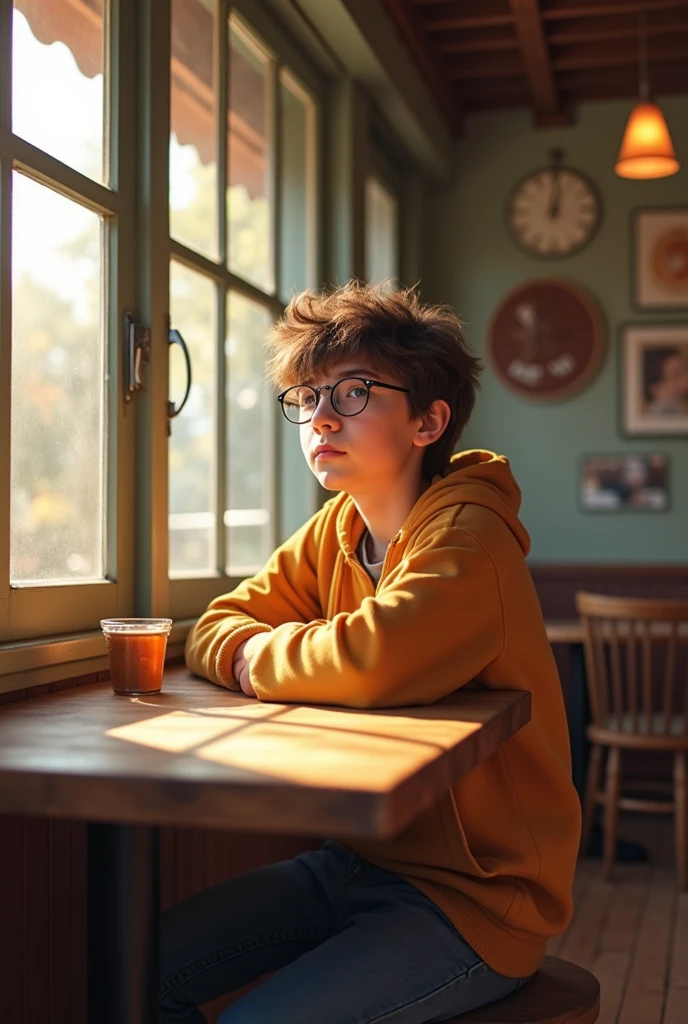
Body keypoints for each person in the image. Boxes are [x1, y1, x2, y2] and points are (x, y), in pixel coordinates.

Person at [161, 281, 581, 1024]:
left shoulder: (470, 533)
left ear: (429, 421)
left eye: (353, 393)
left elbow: (381, 655)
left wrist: (260, 658)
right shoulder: (336, 530)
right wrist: (251, 650)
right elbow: (216, 624)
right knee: (135, 969)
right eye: (308, 396)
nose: (321, 416)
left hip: (478, 898)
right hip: (359, 860)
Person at [643, 345, 688, 416]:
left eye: (685, 370)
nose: (686, 378)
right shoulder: (659, 416)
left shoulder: (681, 409)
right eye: (676, 374)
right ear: (655, 388)